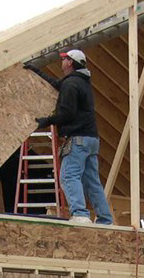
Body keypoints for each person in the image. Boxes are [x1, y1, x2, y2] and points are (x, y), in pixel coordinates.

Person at [24, 49, 113, 225]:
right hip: (91, 139)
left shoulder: (71, 84)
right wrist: (36, 70)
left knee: (68, 175)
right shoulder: (80, 82)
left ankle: (80, 214)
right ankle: (105, 219)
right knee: (92, 182)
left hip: (78, 139)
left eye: (64, 59)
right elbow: (57, 84)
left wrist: (47, 121)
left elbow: (67, 114)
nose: (62, 62)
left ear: (70, 62)